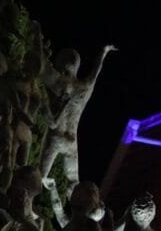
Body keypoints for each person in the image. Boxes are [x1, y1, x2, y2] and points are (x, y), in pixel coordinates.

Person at [39, 45, 116, 185]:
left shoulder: (59, 82)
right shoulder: (84, 88)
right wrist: (104, 52)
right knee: (74, 182)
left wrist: (38, 41)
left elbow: (41, 65)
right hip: (71, 141)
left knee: (41, 176)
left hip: (56, 136)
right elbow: (95, 73)